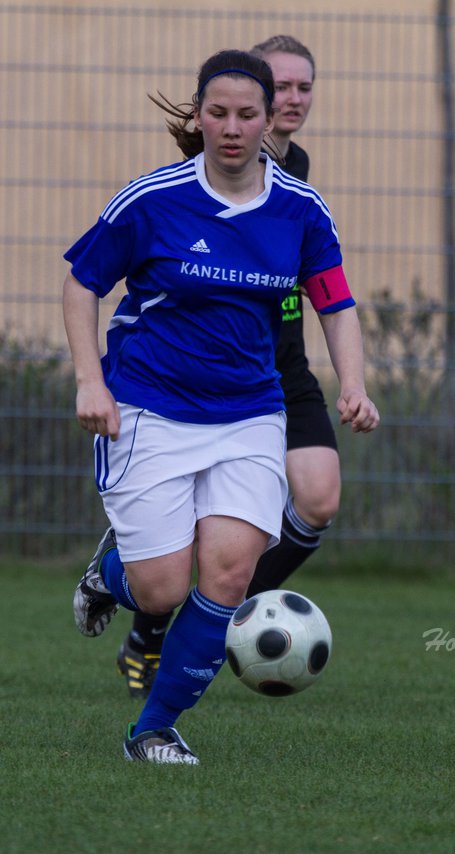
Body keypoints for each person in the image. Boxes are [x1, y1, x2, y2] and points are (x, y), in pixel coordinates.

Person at [63, 48, 378, 764]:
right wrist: (90, 380)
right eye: (218, 113)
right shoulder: (153, 199)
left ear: (270, 121)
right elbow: (83, 284)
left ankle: (154, 728)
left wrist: (352, 384)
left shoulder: (300, 209)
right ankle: (106, 577)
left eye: (247, 114)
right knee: (161, 587)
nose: (231, 128)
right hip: (148, 408)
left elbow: (335, 302)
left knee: (229, 574)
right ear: (197, 116)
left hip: (249, 414)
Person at [115, 35, 338, 701]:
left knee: (318, 500)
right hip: (202, 379)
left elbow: (325, 283)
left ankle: (218, 612)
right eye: (282, 86)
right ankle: (152, 618)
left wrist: (350, 376)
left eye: (303, 87)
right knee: (172, 566)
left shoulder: (296, 175)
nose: (292, 98)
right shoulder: (207, 171)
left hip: (279, 369)